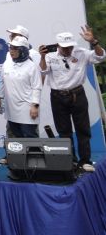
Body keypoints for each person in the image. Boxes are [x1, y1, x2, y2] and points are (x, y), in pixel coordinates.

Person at [39, 27, 105, 172]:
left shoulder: (81, 53)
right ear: (58, 46)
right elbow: (43, 71)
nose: (68, 50)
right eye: (64, 47)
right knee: (64, 131)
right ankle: (70, 161)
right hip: (57, 96)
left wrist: (94, 42)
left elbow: (101, 57)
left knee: (83, 129)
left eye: (70, 47)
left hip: (77, 95)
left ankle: (85, 161)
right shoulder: (50, 56)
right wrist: (43, 57)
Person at [0, 36, 42, 138]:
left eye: (15, 48)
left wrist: (35, 106)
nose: (11, 51)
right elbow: (2, 82)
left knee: (30, 137)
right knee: (16, 138)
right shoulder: (7, 64)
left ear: (23, 50)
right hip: (11, 108)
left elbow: (37, 88)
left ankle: (34, 155)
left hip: (27, 108)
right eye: (11, 48)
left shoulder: (32, 66)